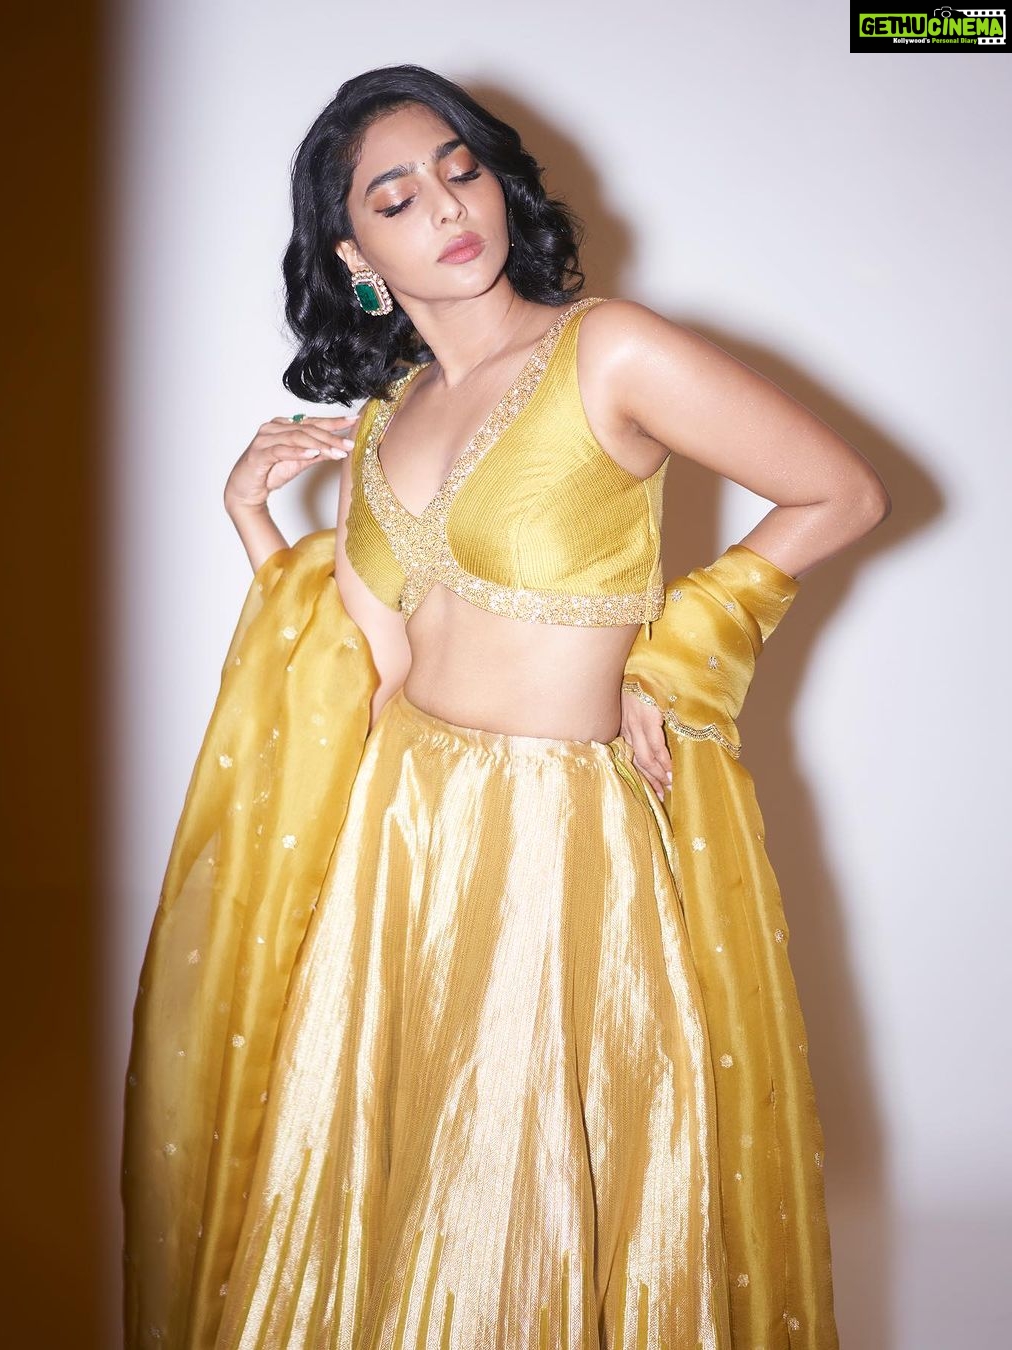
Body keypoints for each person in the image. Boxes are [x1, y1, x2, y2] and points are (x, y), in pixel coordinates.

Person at [121, 65, 890, 1350]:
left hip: (556, 847)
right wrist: (251, 517)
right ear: (353, 255)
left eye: (460, 168)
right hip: (396, 842)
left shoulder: (609, 350)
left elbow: (840, 493)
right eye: (395, 197)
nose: (445, 206)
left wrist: (679, 652)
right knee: (386, 1192)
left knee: (517, 1209)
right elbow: (362, 666)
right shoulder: (387, 423)